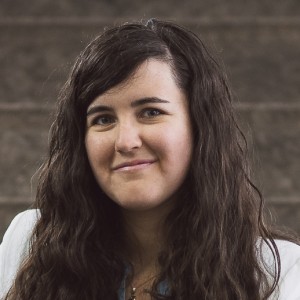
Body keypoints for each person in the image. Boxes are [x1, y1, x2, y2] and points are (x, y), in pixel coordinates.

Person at [0, 18, 300, 300]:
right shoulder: (30, 243)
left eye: (151, 112)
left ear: (199, 126)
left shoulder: (279, 274)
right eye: (103, 119)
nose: (126, 141)